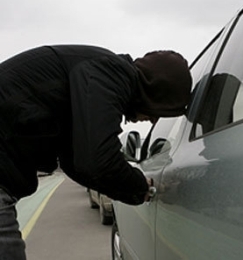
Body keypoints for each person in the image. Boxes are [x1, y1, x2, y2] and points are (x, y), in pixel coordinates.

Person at [0, 45, 192, 259]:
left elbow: (75, 162)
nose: (154, 120)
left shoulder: (96, 78)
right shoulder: (111, 73)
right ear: (155, 94)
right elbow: (97, 159)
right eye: (162, 111)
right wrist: (143, 187)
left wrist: (137, 190)